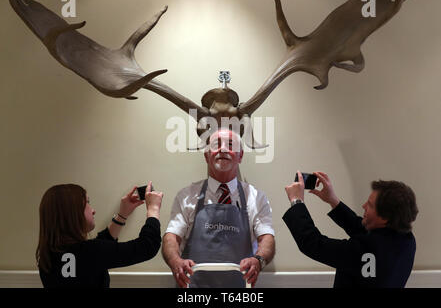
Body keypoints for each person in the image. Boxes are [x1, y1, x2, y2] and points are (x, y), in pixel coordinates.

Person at [162, 128, 275, 288]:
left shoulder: (256, 197)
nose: (223, 149)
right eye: (216, 145)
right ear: (207, 156)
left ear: (240, 156)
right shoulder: (186, 195)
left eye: (230, 145)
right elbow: (171, 237)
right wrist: (175, 261)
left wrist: (259, 260)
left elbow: (267, 238)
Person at [283, 171, 418, 288]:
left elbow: (313, 244)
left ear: (385, 218)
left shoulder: (366, 250)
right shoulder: (406, 239)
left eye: (370, 205)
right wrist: (333, 200)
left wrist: (296, 201)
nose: (363, 206)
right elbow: (362, 230)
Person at [36, 181, 163, 288]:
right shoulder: (91, 252)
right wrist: (153, 209)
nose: (93, 210)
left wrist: (122, 215)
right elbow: (147, 246)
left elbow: (95, 253)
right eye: (87, 203)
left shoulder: (47, 257)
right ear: (73, 213)